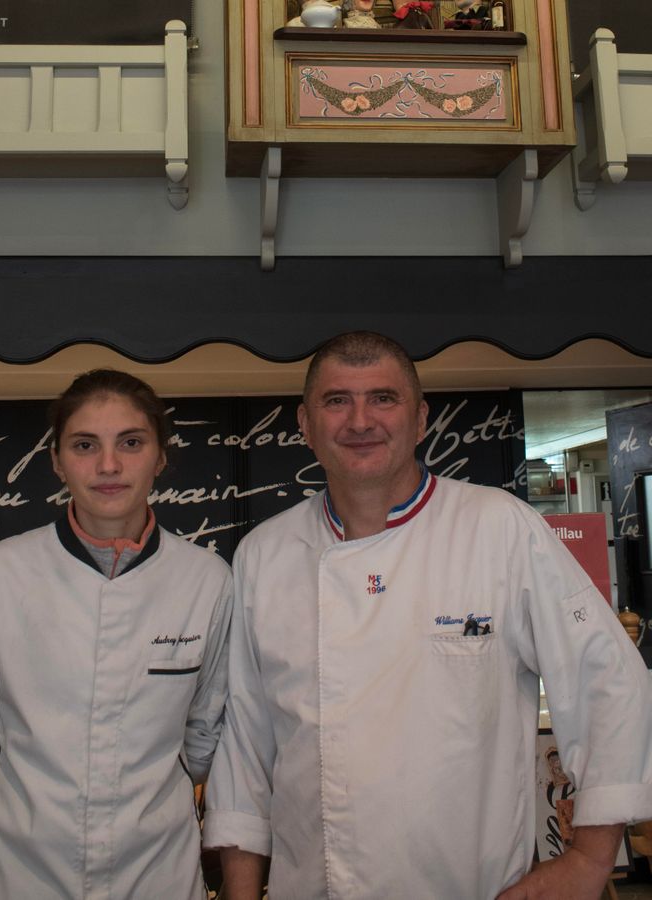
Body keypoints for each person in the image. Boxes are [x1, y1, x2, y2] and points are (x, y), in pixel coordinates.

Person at [203, 332, 652, 899]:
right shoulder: (264, 555)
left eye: (383, 399)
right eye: (337, 400)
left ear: (419, 420)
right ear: (305, 424)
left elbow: (608, 683)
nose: (360, 420)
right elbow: (246, 744)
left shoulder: (500, 528)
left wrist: (589, 859)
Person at [0, 369, 233, 900]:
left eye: (132, 442)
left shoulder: (207, 581)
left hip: (157, 868)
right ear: (56, 459)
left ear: (161, 456)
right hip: (15, 867)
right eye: (85, 444)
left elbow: (204, 737)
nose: (109, 465)